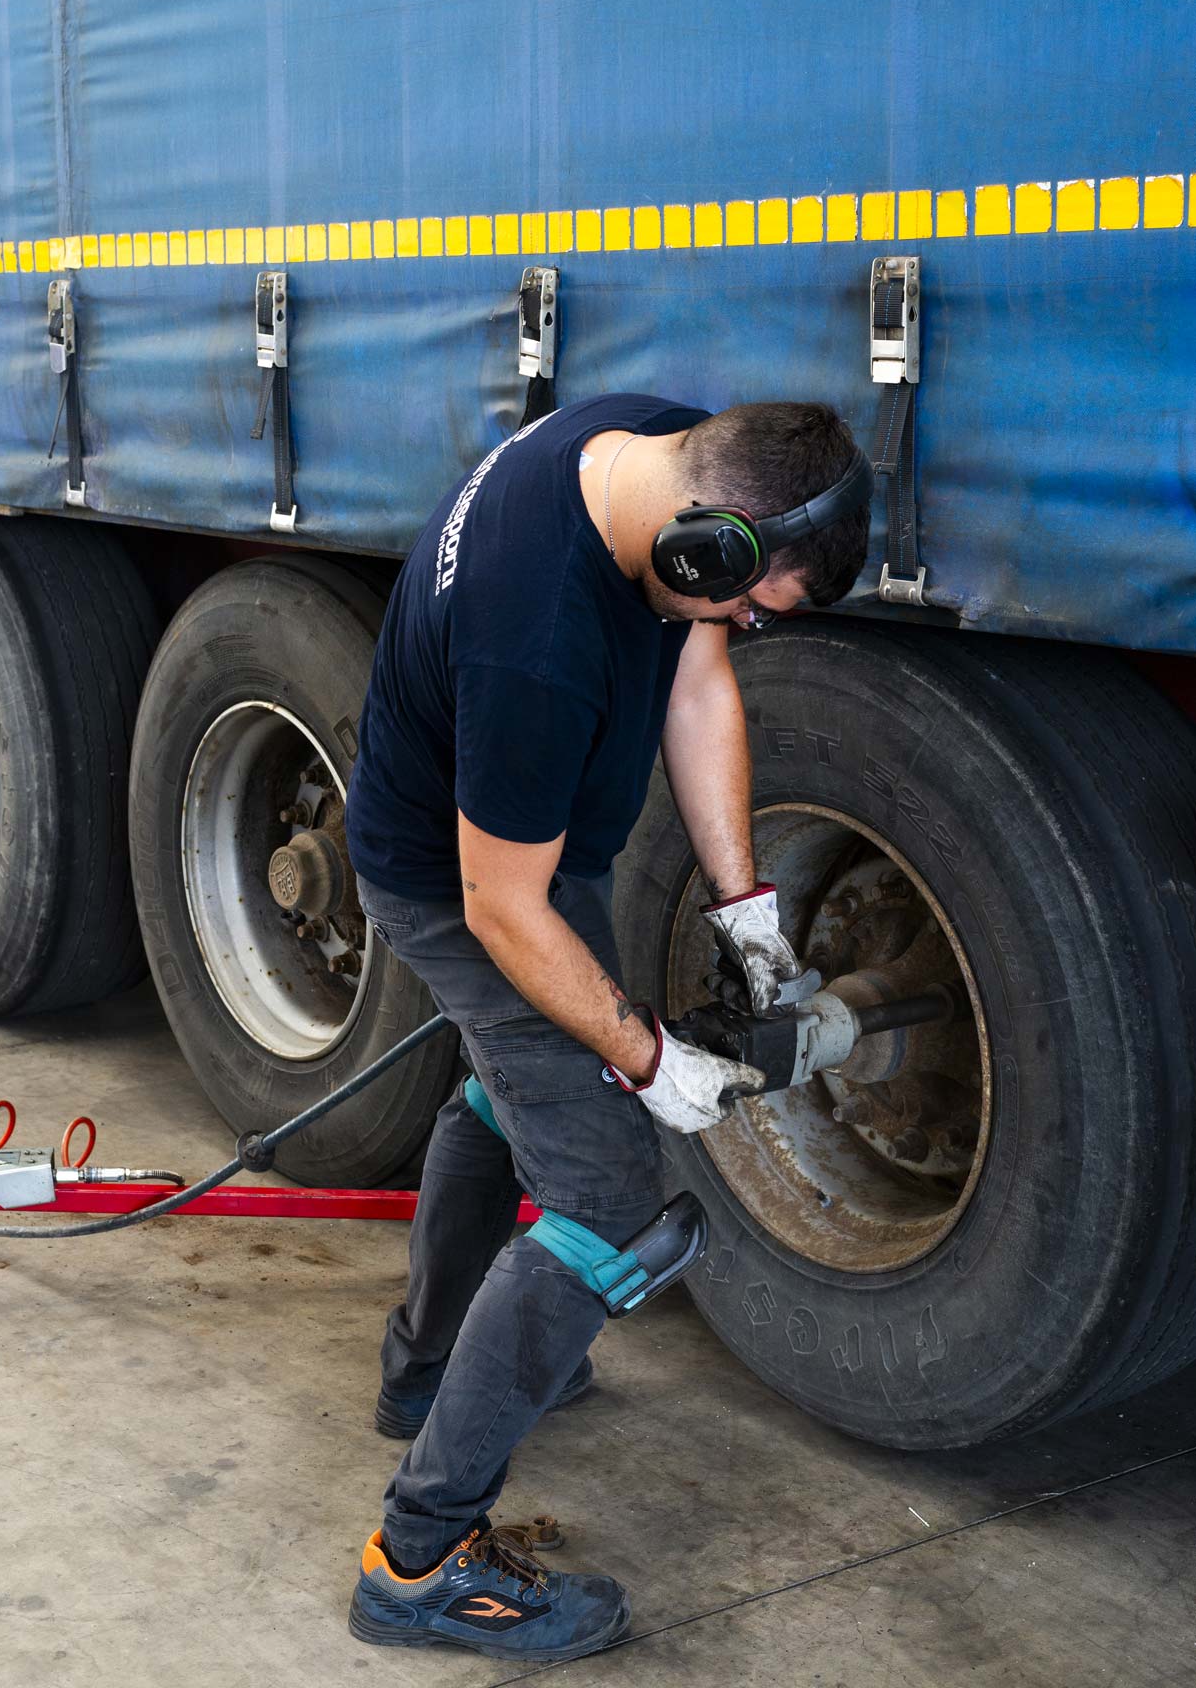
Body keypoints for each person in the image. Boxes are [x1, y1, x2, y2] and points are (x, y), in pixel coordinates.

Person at [343, 393, 871, 1661]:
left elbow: (694, 681)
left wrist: (745, 910)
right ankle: (420, 1562)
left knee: (507, 1092)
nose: (746, 625)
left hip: (529, 859)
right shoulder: (532, 640)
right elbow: (500, 908)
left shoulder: (658, 450)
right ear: (710, 544)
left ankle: (428, 1368)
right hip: (463, 887)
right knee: (611, 1203)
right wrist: (651, 1063)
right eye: (752, 605)